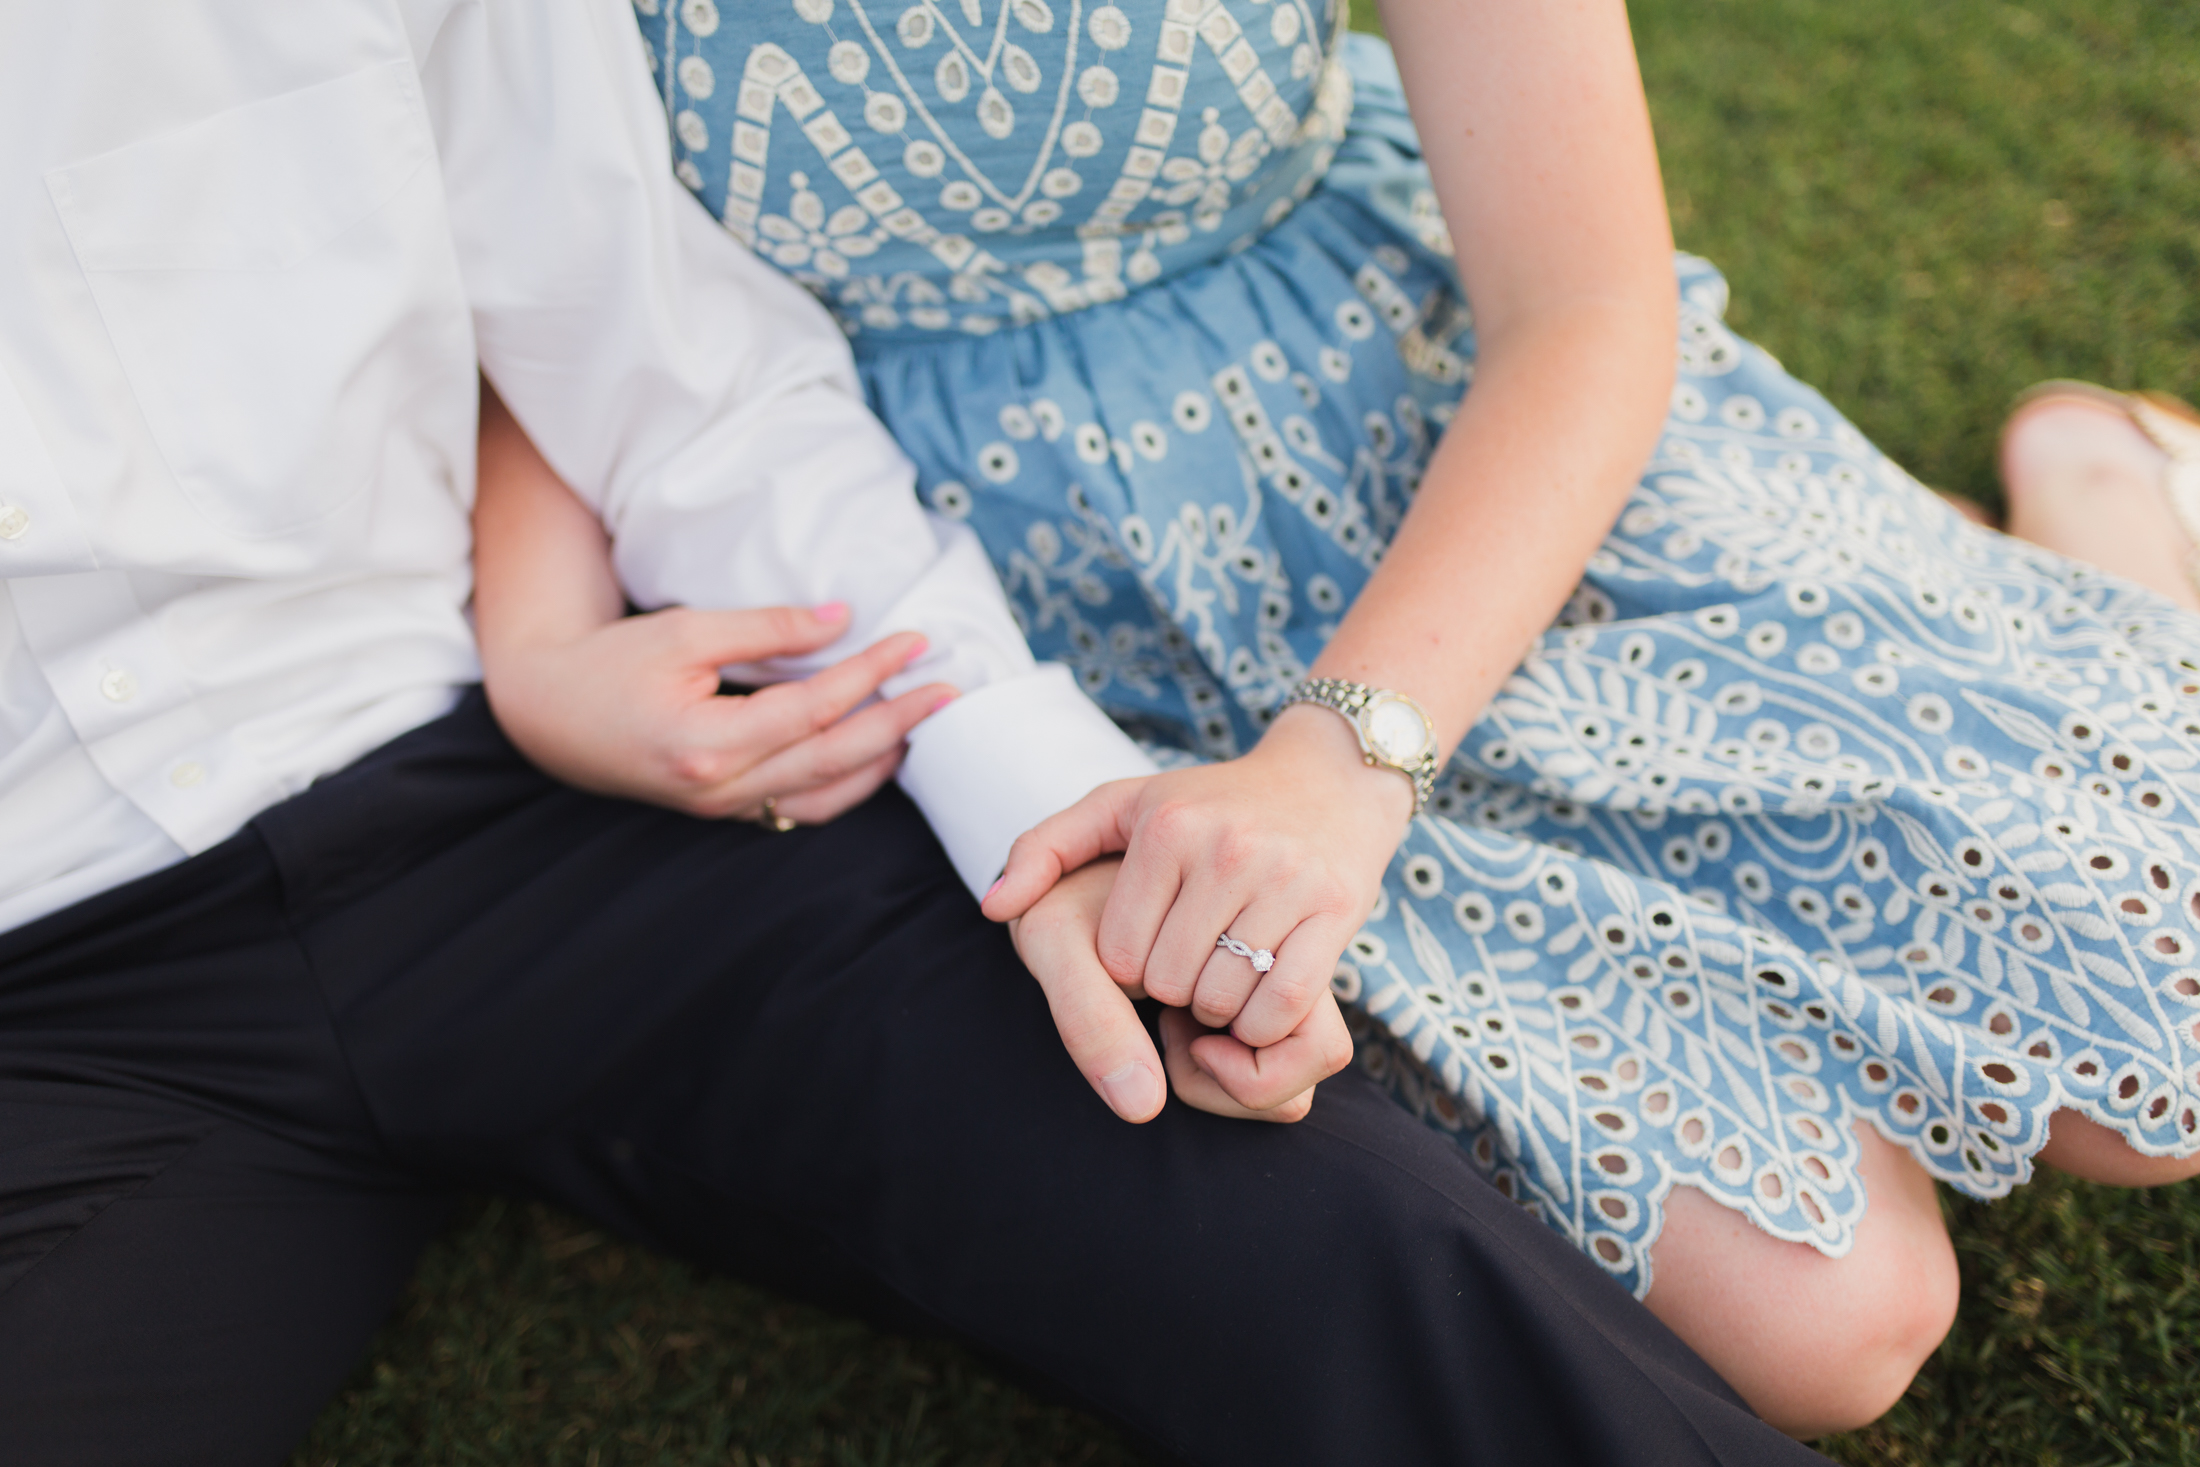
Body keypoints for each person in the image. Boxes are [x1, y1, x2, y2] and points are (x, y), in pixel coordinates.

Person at [0, 3, 1835, 1464]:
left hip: (524, 800)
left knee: (1325, 1222)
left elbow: (660, 365)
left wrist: (1038, 807)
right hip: (59, 993)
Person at [479, 0, 2200, 1437]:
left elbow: (1586, 301)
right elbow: (550, 226)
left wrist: (1337, 761)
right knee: (1842, 1322)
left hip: (1446, 431)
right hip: (1007, 589)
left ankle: (2103, 530)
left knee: (2152, 1072)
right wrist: (544, 646)